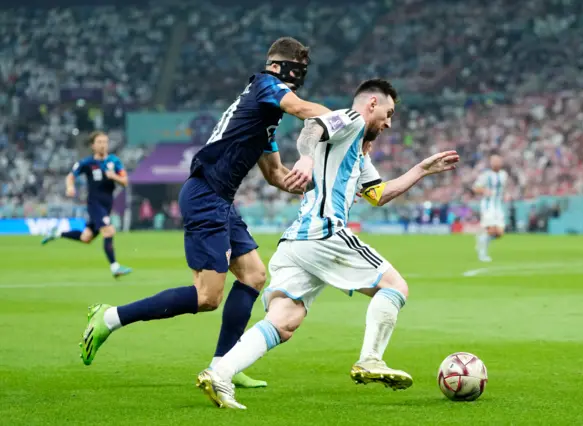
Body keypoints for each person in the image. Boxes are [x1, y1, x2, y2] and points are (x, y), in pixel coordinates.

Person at [79, 37, 331, 390]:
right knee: (206, 297)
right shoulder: (265, 85)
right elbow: (303, 109)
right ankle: (109, 317)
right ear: (279, 67)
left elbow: (276, 176)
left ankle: (224, 365)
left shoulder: (265, 119)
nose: (300, 75)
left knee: (254, 276)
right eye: (298, 68)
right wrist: (346, 118)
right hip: (205, 194)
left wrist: (315, 183)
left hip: (220, 200)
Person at [198, 79, 459, 409]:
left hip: (297, 243)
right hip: (324, 232)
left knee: (283, 321)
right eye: (389, 113)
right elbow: (313, 127)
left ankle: (219, 373)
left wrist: (422, 169)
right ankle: (371, 359)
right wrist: (306, 159)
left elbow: (378, 195)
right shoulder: (350, 118)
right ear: (372, 104)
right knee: (395, 287)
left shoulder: (356, 149)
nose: (389, 122)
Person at [42, 131, 132, 277]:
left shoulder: (114, 161)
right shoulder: (87, 163)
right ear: (93, 145)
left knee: (86, 238)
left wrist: (114, 176)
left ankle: (57, 233)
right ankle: (115, 267)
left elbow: (125, 181)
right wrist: (70, 187)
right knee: (108, 230)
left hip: (107, 204)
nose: (103, 145)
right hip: (95, 204)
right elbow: (70, 176)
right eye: (100, 142)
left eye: (105, 142)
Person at [473, 154, 508, 262]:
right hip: (488, 205)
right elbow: (475, 188)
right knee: (491, 229)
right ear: (491, 163)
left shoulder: (504, 174)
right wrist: (484, 191)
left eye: (498, 161)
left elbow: (503, 189)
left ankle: (481, 239)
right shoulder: (486, 175)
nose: (496, 163)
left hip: (499, 206)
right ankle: (482, 254)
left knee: (500, 233)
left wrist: (506, 195)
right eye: (494, 161)